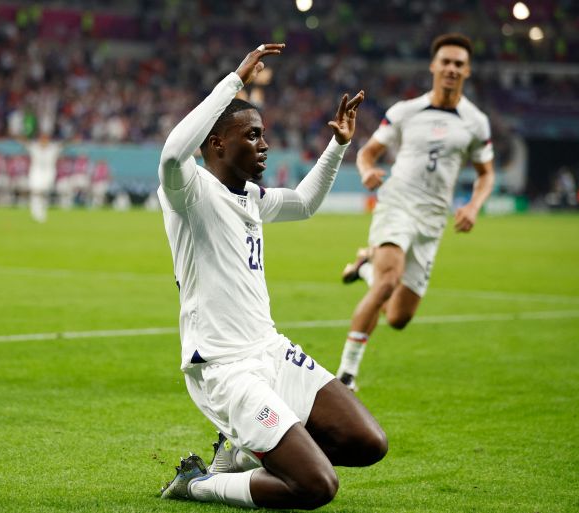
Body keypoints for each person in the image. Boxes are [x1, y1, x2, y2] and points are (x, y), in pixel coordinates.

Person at [158, 43, 386, 510]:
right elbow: (171, 154)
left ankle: (241, 452)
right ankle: (196, 484)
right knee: (317, 486)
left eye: (263, 135)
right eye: (252, 135)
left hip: (271, 350)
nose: (264, 145)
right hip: (226, 367)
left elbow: (304, 203)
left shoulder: (251, 197)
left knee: (368, 443)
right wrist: (234, 82)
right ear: (217, 144)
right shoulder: (191, 192)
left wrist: (339, 145)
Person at [335, 33, 496, 392]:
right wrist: (366, 171)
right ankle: (346, 376)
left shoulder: (476, 122)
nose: (451, 68)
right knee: (388, 283)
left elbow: (486, 174)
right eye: (446, 62)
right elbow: (367, 153)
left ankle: (365, 267)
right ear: (434, 66)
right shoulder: (405, 111)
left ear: (467, 70)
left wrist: (473, 205)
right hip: (397, 204)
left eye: (459, 64)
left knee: (398, 317)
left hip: (433, 219)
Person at [20, 132, 63, 222]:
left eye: (45, 139)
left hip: (48, 173)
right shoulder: (34, 147)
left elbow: (63, 145)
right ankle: (35, 211)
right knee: (35, 192)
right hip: (36, 172)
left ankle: (42, 211)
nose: (44, 141)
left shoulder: (53, 148)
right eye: (42, 139)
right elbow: (25, 142)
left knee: (43, 193)